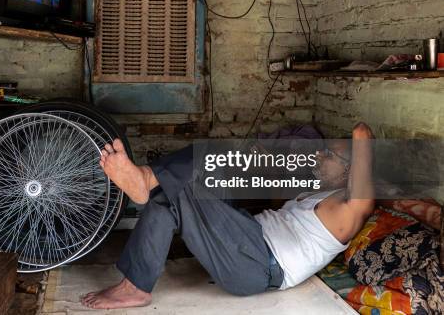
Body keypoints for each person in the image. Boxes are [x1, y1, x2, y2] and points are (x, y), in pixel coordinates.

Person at [80, 123, 375, 310]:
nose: (320, 157)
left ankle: (145, 181)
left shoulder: (347, 212)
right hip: (244, 237)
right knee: (210, 158)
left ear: (351, 171)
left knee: (179, 187)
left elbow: (362, 134)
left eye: (329, 155)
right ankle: (136, 279)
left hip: (254, 263)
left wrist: (363, 138)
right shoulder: (315, 194)